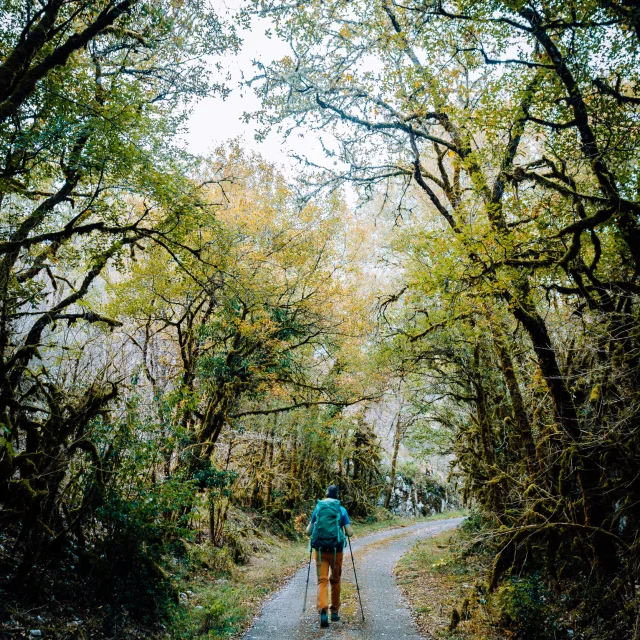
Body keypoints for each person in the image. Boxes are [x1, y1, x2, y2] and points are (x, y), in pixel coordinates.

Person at [306, 485, 354, 628]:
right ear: (337, 496)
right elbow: (350, 532)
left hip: (320, 550)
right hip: (336, 551)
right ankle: (334, 612)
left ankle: (322, 609)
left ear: (325, 495)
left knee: (322, 580)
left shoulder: (318, 508)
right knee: (335, 580)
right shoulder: (341, 509)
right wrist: (343, 530)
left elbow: (308, 532)